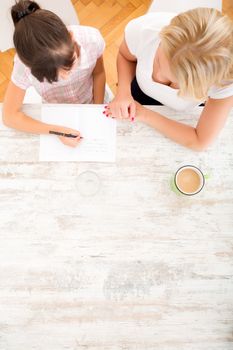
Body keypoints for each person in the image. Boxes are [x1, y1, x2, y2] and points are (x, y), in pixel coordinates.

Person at [106, 8, 233, 151]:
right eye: (159, 61)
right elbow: (125, 56)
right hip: (136, 94)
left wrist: (144, 114)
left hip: (183, 116)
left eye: (173, 79)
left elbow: (199, 141)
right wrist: (123, 91)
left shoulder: (225, 82)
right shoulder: (146, 30)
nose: (157, 76)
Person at [3, 0, 106, 148]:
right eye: (53, 77)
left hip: (93, 99)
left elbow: (99, 73)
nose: (65, 76)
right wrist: (56, 131)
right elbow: (9, 116)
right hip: (55, 113)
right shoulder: (22, 66)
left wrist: (96, 108)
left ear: (71, 37)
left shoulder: (91, 39)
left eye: (69, 64)